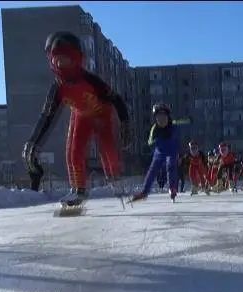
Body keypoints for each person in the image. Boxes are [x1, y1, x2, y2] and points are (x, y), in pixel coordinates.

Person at [23, 31, 130, 209]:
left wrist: (125, 124)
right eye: (57, 61)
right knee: (73, 151)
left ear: (77, 59)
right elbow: (46, 117)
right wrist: (33, 142)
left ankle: (114, 178)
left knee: (108, 150)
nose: (61, 65)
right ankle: (78, 188)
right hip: (81, 115)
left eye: (66, 60)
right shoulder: (57, 88)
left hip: (102, 114)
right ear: (51, 61)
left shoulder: (91, 81)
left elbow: (116, 99)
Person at [131, 103, 183, 202]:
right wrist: (156, 141)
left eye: (164, 117)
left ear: (168, 117)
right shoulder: (154, 129)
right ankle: (144, 192)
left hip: (172, 150)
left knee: (171, 167)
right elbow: (150, 142)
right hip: (159, 152)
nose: (161, 120)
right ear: (155, 118)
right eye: (159, 117)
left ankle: (173, 188)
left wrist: (179, 153)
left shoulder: (173, 126)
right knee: (152, 171)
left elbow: (180, 124)